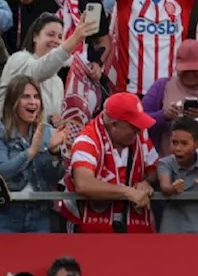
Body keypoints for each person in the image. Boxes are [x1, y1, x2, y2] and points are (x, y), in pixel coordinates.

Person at [61, 92, 159, 234]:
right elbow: (83, 184)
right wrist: (127, 192)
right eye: (134, 126)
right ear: (114, 125)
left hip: (132, 225)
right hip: (89, 228)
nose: (138, 130)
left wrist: (147, 182)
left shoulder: (140, 134)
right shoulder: (87, 140)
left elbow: (155, 167)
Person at [0, 76, 66, 233]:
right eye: (25, 96)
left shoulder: (48, 132)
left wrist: (54, 153)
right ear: (12, 102)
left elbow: (53, 177)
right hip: (5, 214)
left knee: (39, 258)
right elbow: (0, 171)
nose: (33, 102)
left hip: (40, 214)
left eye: (36, 97)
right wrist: (30, 152)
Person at [0, 13, 97, 122]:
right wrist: (74, 40)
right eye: (50, 34)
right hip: (5, 134)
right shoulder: (18, 59)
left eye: (60, 37)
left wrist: (56, 121)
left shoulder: (57, 82)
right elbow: (38, 71)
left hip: (39, 138)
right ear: (35, 36)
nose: (56, 41)